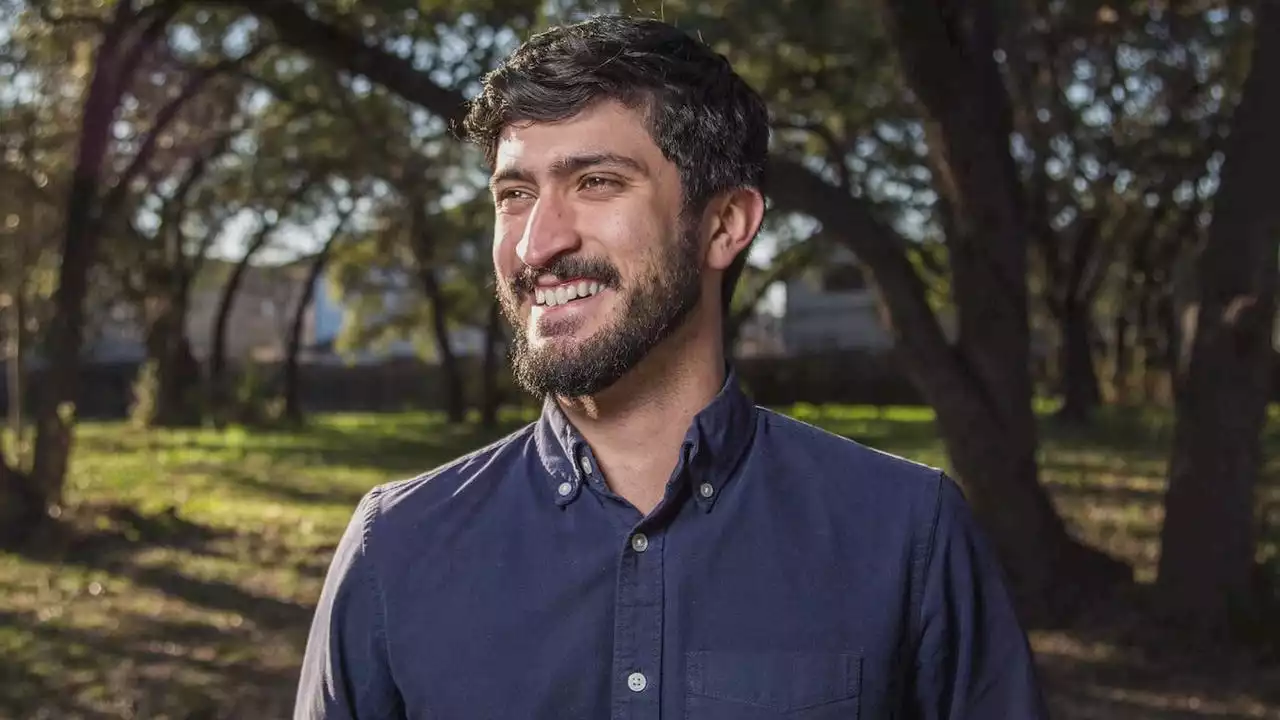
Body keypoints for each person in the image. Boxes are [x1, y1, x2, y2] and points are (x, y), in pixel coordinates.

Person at [294, 14, 1049, 720]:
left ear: (725, 223)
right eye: (516, 194)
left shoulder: (907, 534)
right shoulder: (393, 546)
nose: (535, 245)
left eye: (596, 182)